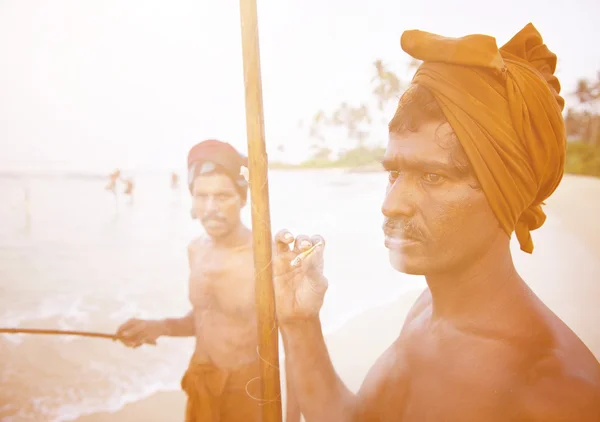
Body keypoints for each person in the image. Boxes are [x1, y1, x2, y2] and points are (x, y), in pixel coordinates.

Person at [273, 24, 600, 422]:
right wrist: (299, 321)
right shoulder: (427, 311)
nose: (391, 205)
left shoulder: (557, 394)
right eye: (393, 173)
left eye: (433, 177)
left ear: (505, 192)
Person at [116, 139, 299, 422]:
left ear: (241, 198)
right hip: (202, 383)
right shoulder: (196, 249)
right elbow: (206, 317)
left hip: (249, 392)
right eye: (201, 196)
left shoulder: (265, 257)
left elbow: (294, 343)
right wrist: (159, 327)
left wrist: (292, 415)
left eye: (222, 196)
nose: (210, 207)